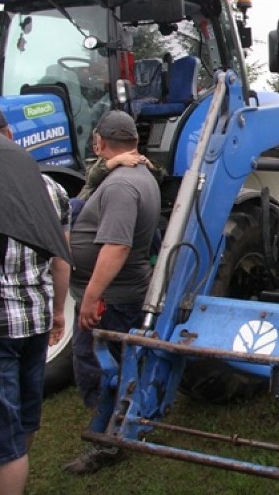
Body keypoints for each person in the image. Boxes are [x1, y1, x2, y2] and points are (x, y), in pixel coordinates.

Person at [0, 102, 70, 495]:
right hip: (37, 318)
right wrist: (58, 312)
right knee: (25, 415)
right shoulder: (50, 187)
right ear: (9, 135)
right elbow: (61, 260)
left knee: (0, 434)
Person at [64, 110, 160, 474]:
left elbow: (117, 246)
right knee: (115, 365)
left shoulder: (121, 186)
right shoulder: (133, 175)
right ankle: (120, 424)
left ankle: (109, 439)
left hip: (112, 299)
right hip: (118, 294)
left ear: (98, 143)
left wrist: (91, 296)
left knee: (101, 368)